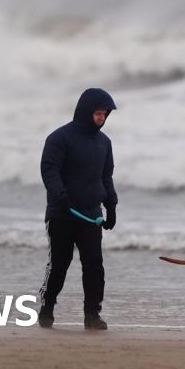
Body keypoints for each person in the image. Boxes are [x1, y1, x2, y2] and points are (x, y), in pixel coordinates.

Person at [37, 88, 119, 330]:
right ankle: (47, 307)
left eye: (105, 114)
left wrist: (111, 205)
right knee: (59, 265)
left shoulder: (104, 143)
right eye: (98, 113)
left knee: (94, 265)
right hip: (62, 214)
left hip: (91, 215)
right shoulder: (59, 138)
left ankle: (92, 314)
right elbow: (49, 170)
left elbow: (107, 177)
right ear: (85, 112)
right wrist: (59, 196)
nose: (102, 118)